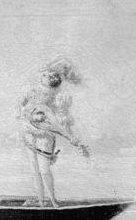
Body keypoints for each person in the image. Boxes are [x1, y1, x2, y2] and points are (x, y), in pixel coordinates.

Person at [18, 58, 89, 207]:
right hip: (29, 132)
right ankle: (41, 202)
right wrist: (28, 116)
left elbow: (61, 122)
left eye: (47, 75)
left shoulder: (58, 97)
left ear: (53, 79)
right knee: (35, 169)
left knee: (44, 170)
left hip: (46, 135)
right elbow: (21, 107)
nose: (42, 76)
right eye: (44, 74)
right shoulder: (32, 90)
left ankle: (52, 200)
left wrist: (73, 139)